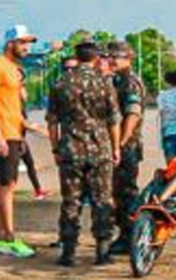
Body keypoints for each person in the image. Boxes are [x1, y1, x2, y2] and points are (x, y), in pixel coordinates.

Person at [47, 40, 121, 267]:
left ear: (77, 57)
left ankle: (68, 252)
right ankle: (103, 250)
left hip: (71, 149)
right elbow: (114, 119)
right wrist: (116, 147)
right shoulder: (104, 83)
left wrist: (55, 147)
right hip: (100, 150)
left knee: (71, 201)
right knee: (102, 200)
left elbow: (52, 121)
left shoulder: (61, 83)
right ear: (97, 58)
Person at [0, 25, 39, 258]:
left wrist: (25, 127)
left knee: (1, 185)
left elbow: (11, 106)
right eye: (23, 42)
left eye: (28, 43)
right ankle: (10, 237)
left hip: (13, 132)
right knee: (8, 187)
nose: (27, 47)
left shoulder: (13, 68)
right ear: (10, 43)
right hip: (3, 134)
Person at [106, 41, 145, 257]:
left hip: (127, 146)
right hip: (119, 146)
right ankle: (125, 235)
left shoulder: (130, 82)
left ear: (128, 58)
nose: (112, 60)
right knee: (117, 193)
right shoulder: (117, 79)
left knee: (126, 193)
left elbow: (132, 114)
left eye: (117, 57)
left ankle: (132, 236)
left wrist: (119, 144)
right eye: (110, 56)